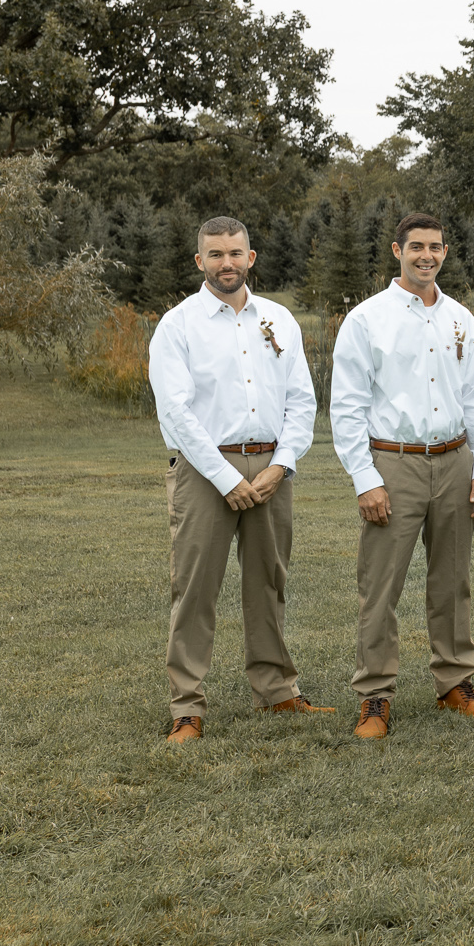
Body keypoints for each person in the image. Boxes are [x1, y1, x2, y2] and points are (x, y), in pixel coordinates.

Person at [148, 216, 329, 742]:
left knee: (268, 583)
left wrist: (282, 464)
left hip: (271, 468)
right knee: (195, 589)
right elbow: (176, 411)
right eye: (215, 254)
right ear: (199, 261)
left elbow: (302, 400)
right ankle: (187, 706)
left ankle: (276, 691)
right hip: (205, 471)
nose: (226, 263)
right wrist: (226, 478)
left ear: (250, 257)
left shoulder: (279, 319)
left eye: (235, 253)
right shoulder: (178, 325)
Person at [329, 212, 474, 740]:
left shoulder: (460, 319)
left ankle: (455, 683)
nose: (427, 255)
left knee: (452, 580)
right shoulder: (367, 320)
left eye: (436, 247)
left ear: (445, 252)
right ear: (397, 251)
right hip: (393, 463)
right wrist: (365, 478)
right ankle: (375, 694)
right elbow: (347, 405)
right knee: (380, 586)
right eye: (417, 247)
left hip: (455, 461)